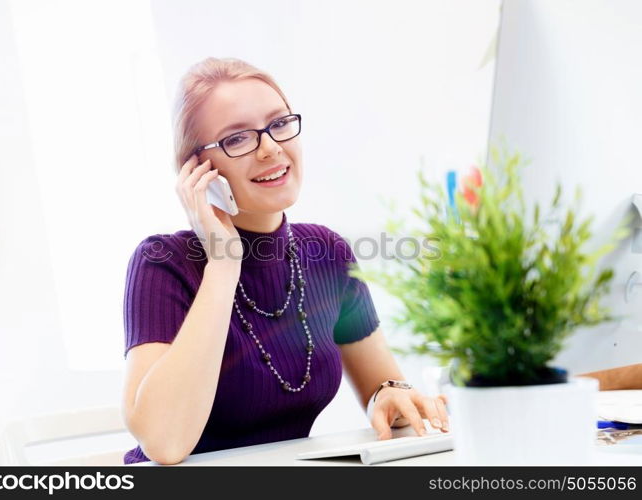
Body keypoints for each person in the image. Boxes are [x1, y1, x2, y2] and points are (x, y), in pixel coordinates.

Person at [120, 57, 449, 465]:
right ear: (197, 170)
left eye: (278, 124)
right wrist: (223, 262)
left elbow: (384, 387)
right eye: (238, 138)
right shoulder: (162, 263)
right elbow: (165, 444)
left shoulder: (327, 253)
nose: (271, 148)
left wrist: (392, 395)